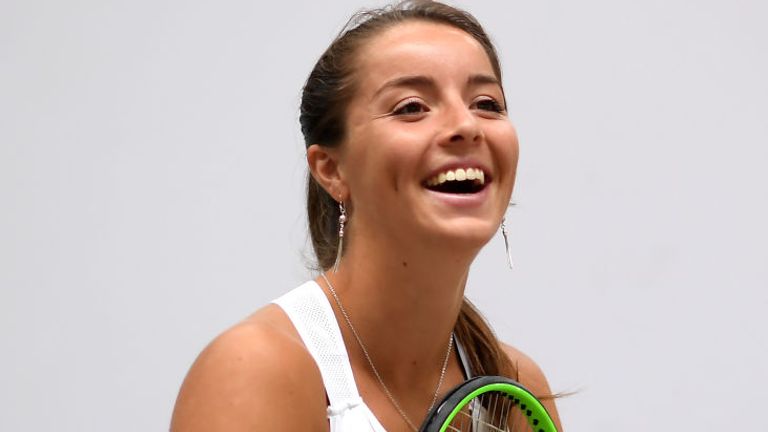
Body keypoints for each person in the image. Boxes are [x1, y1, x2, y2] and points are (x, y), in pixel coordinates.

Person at [171, 1, 562, 431]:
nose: (466, 125)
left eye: (487, 103)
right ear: (332, 170)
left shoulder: (516, 391)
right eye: (411, 106)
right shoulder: (257, 370)